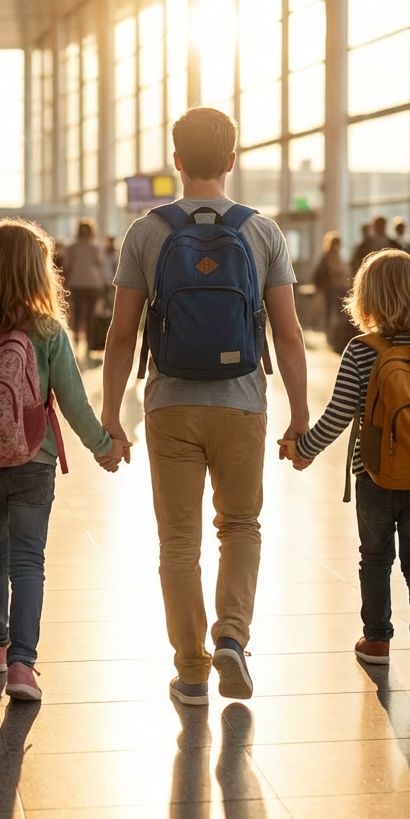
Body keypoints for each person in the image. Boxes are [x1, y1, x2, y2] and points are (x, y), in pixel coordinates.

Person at [101, 106, 308, 706]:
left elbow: (120, 335)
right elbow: (288, 335)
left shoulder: (146, 232)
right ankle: (233, 639)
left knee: (178, 542)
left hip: (169, 404)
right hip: (243, 401)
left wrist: (113, 418)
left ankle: (191, 671)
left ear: (176, 161)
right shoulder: (263, 232)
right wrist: (299, 416)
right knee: (240, 525)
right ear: (232, 161)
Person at [0, 219, 127, 702]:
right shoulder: (46, 329)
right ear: (37, 271)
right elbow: (73, 400)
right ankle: (22, 664)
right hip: (33, 458)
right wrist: (104, 447)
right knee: (27, 559)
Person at [281, 249, 410, 688]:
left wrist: (305, 449)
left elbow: (338, 415)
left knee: (375, 559)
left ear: (366, 298)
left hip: (374, 477)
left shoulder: (361, 350)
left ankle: (376, 642)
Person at [62, 219, 106, 356]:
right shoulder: (96, 248)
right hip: (92, 284)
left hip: (75, 284)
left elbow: (66, 266)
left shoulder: (71, 248)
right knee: (90, 316)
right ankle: (88, 347)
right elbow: (100, 264)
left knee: (76, 315)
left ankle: (75, 343)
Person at [313, 231, 351, 335]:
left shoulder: (339, 257)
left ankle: (336, 333)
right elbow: (319, 275)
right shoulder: (326, 258)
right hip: (330, 290)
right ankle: (330, 334)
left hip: (341, 289)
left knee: (339, 313)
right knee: (330, 313)